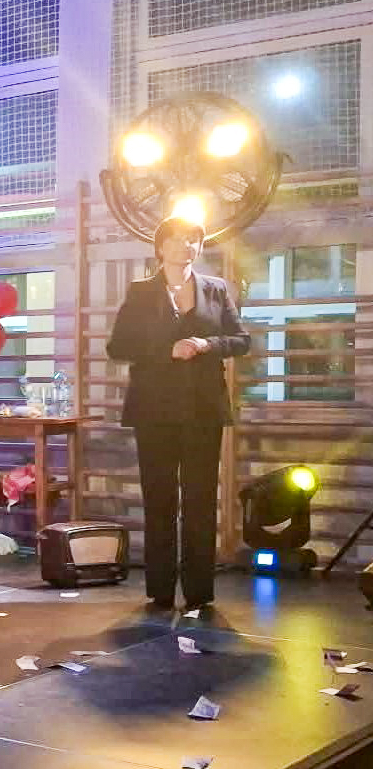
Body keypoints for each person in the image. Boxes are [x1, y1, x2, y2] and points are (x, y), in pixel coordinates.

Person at [107, 215, 249, 614]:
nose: (185, 245)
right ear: (160, 246)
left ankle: (199, 591)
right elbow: (118, 347)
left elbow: (241, 340)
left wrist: (206, 344)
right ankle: (161, 589)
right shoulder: (141, 291)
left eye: (192, 239)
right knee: (160, 500)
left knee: (201, 501)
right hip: (154, 409)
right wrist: (165, 350)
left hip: (203, 409)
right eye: (177, 238)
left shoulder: (216, 289)